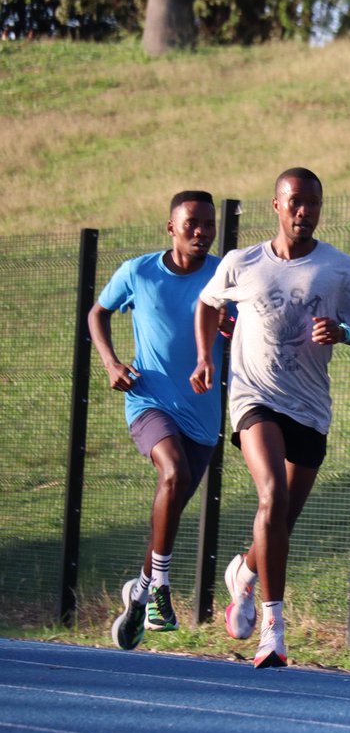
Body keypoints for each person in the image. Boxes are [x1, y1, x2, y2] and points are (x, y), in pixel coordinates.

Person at [191, 167, 350, 669]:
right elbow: (208, 304)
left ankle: (246, 573)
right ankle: (273, 627)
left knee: (281, 519)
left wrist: (341, 332)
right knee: (271, 494)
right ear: (275, 205)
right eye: (295, 202)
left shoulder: (341, 271)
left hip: (310, 408)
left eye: (313, 204)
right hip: (254, 397)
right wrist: (206, 358)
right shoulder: (242, 262)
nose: (304, 212)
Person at [92, 191, 229, 651]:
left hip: (203, 414)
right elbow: (98, 313)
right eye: (192, 223)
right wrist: (111, 364)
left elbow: (245, 325)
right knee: (173, 472)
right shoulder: (138, 271)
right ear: (171, 227)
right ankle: (162, 589)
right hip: (149, 400)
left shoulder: (223, 275)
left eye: (208, 224)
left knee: (170, 510)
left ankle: (143, 590)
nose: (201, 232)